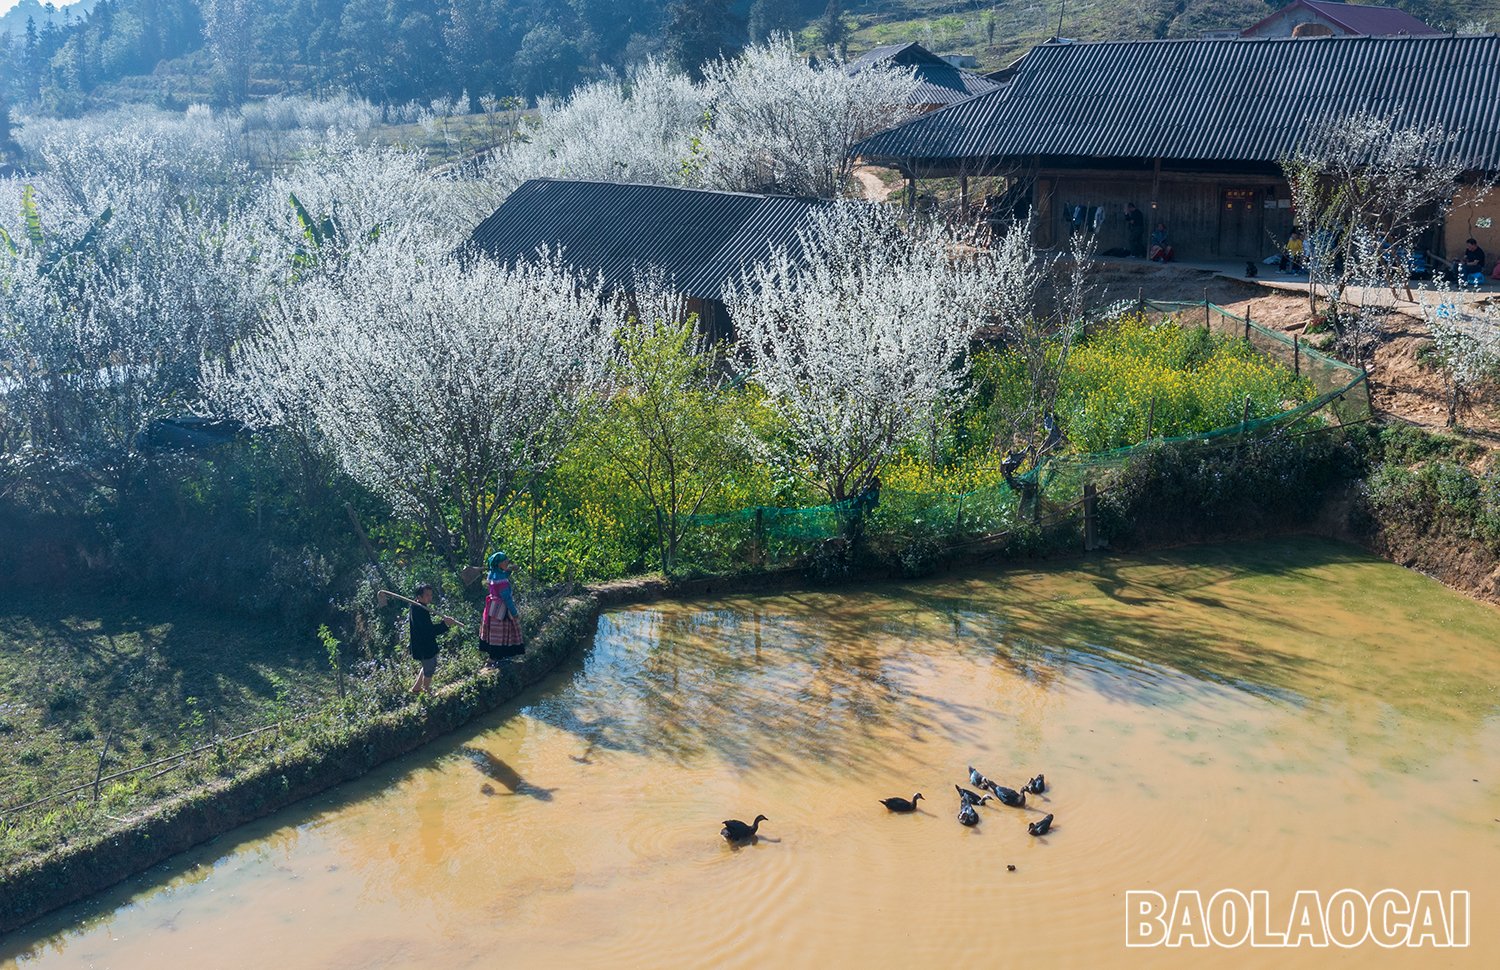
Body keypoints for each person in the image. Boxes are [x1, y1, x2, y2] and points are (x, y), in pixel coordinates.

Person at [408, 584, 456, 695]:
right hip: (423, 645)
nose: (430, 597)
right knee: (429, 667)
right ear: (419, 597)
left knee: (428, 665)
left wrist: (445, 624)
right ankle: (427, 692)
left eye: (431, 595)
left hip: (425, 643)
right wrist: (445, 624)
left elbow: (428, 629)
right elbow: (429, 630)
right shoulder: (418, 610)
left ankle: (416, 688)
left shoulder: (421, 607)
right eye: (427, 595)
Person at [479, 551, 524, 667]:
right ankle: (497, 658)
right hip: (501, 609)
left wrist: (510, 570)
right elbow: (507, 598)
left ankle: (493, 658)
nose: (507, 562)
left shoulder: (491, 574)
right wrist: (514, 613)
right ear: (499, 564)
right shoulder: (501, 580)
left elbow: (503, 574)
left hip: (492, 608)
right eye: (505, 561)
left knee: (492, 633)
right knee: (502, 633)